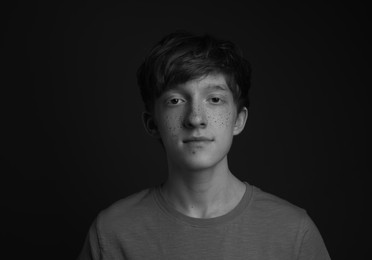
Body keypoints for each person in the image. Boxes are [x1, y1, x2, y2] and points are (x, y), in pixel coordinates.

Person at [77, 31, 331, 259]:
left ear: (238, 120)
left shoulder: (293, 232)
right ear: (152, 123)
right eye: (175, 100)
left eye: (215, 99)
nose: (196, 118)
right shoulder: (111, 233)